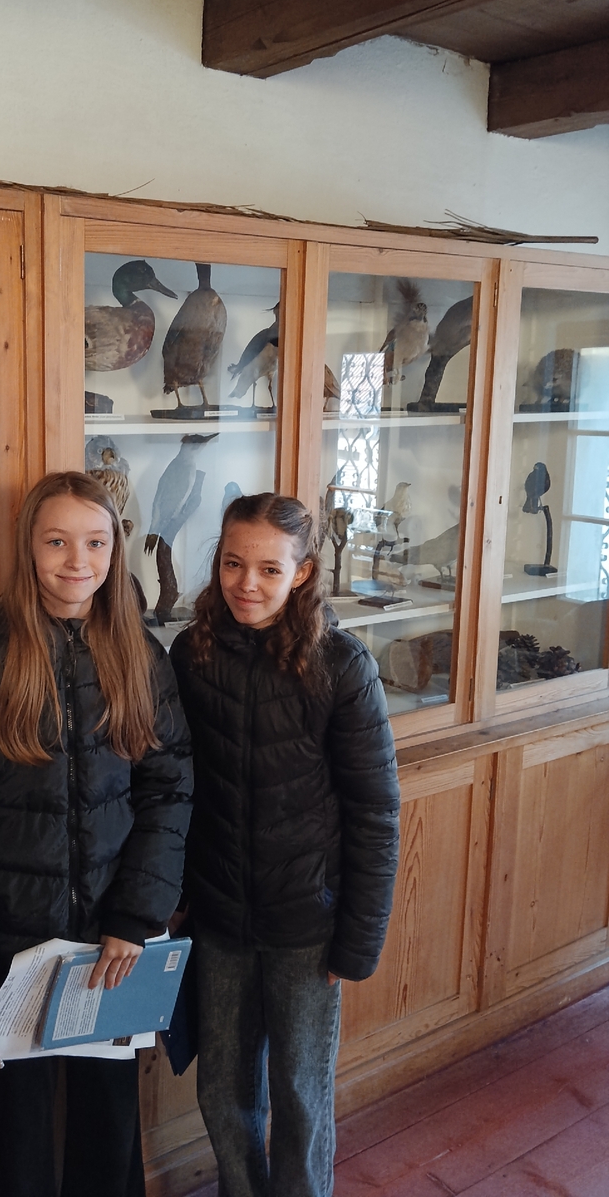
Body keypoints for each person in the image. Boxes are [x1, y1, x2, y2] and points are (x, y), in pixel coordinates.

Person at [0, 471, 193, 1197]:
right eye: (56, 542)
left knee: (109, 1132)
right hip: (9, 945)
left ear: (115, 549)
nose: (77, 561)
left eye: (95, 542)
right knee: (17, 1139)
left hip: (111, 944)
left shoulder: (141, 655)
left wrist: (136, 915)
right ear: (28, 547)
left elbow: (168, 791)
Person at [169, 492, 400, 1197]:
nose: (247, 583)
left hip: (308, 923)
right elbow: (177, 789)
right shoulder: (190, 653)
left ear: (301, 574)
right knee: (223, 1089)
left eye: (270, 569)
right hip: (219, 917)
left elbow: (375, 812)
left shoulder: (341, 664)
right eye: (233, 563)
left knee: (300, 1090)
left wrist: (358, 941)